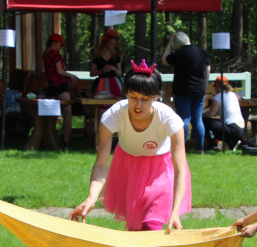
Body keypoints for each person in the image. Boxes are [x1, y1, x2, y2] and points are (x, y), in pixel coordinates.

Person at [70, 60, 191, 231]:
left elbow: (180, 170)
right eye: (133, 97)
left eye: (145, 99)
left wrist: (175, 211)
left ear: (156, 97)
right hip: (128, 168)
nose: (138, 105)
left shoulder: (169, 120)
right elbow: (101, 164)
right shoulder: (113, 116)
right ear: (126, 93)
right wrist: (91, 197)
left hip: (161, 171)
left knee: (151, 225)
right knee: (135, 229)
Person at [161, 31, 211, 153]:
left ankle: (181, 147)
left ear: (177, 43)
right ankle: (200, 148)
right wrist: (204, 85)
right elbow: (207, 69)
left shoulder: (178, 53)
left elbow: (164, 60)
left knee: (184, 119)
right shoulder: (202, 51)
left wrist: (169, 43)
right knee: (197, 119)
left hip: (182, 90)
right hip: (199, 90)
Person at [42, 33, 77, 143]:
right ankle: (66, 140)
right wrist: (71, 76)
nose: (61, 47)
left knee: (52, 115)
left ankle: (50, 138)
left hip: (51, 86)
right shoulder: (56, 55)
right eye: (60, 45)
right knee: (67, 113)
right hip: (60, 86)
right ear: (54, 43)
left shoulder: (45, 55)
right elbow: (59, 71)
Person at [203, 75, 246, 150]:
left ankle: (213, 145)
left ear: (217, 86)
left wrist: (201, 114)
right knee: (217, 123)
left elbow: (211, 114)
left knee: (204, 121)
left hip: (232, 128)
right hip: (241, 128)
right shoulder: (234, 95)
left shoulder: (218, 96)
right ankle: (232, 142)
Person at [90, 30, 123, 98]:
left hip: (114, 82)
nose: (113, 46)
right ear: (106, 44)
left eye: (114, 44)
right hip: (101, 82)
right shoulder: (97, 57)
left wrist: (113, 69)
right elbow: (92, 73)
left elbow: (120, 73)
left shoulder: (116, 57)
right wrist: (102, 71)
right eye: (111, 44)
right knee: (101, 103)